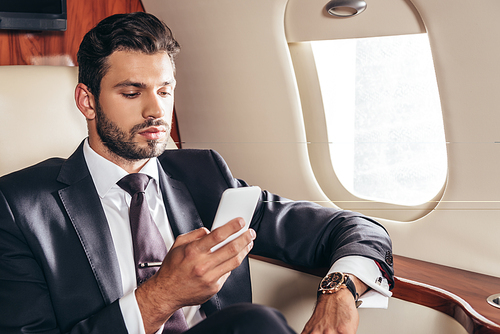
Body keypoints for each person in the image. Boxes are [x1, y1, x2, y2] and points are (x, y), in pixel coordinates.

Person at [0, 12, 393, 334]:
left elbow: (354, 228)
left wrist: (338, 293)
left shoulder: (205, 176)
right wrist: (164, 294)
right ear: (87, 101)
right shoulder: (18, 207)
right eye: (133, 93)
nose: (156, 111)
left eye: (165, 90)